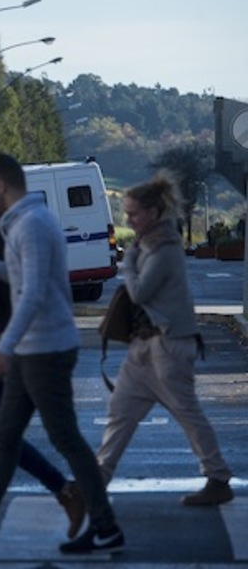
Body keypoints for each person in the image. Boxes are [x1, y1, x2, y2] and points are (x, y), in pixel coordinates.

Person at [0, 153, 124, 555]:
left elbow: (33, 292)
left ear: (0, 185)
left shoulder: (30, 225)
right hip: (33, 347)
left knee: (64, 437)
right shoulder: (25, 222)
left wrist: (4, 345)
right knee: (2, 436)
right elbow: (24, 279)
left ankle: (104, 524)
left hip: (45, 347)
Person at [96, 174, 234, 505]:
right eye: (126, 214)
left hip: (170, 344)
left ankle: (217, 479)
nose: (128, 220)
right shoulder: (146, 245)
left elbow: (141, 290)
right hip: (143, 345)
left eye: (134, 214)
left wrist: (127, 262)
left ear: (155, 212)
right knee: (120, 412)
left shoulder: (166, 249)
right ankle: (95, 479)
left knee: (187, 413)